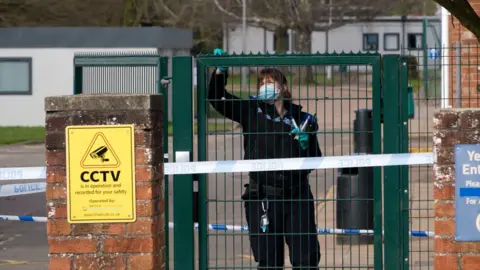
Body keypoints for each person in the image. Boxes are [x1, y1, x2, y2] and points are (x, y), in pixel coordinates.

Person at [207, 48, 322, 269]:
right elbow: (217, 98)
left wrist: (305, 143)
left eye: (271, 82)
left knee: (306, 259)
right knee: (269, 261)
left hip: (296, 195)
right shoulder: (250, 110)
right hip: (263, 196)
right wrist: (220, 71)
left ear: (284, 87)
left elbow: (314, 158)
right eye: (261, 83)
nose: (265, 87)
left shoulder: (302, 118)